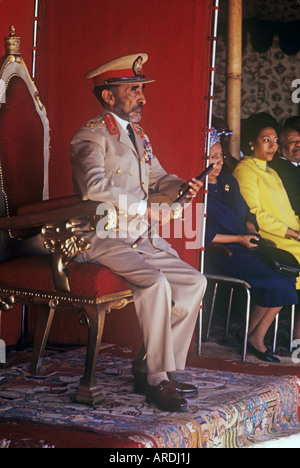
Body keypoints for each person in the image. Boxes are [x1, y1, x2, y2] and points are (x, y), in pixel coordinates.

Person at [70, 53, 207, 412]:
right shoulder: (91, 136)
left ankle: (152, 363)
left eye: (142, 89)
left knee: (194, 283)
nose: (143, 97)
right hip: (101, 235)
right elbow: (94, 188)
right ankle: (157, 380)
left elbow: (158, 176)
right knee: (155, 281)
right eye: (134, 89)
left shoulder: (139, 135)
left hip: (138, 235)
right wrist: (144, 208)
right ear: (109, 96)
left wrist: (182, 186)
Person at [205, 129, 298, 363]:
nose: (217, 163)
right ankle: (253, 338)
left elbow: (248, 213)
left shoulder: (227, 181)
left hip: (245, 243)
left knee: (286, 275)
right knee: (276, 280)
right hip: (222, 251)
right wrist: (238, 240)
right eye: (210, 157)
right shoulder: (197, 189)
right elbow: (203, 234)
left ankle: (253, 335)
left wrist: (251, 230)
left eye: (219, 156)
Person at [233, 113, 300, 342]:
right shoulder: (245, 170)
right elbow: (255, 214)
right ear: (252, 142)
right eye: (266, 140)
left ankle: (285, 336)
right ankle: (294, 335)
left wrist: (297, 227)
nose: (272, 146)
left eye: (275, 141)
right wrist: (292, 233)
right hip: (270, 239)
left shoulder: (271, 171)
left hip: (289, 237)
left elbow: (288, 212)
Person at [269, 126, 300, 216]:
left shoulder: (296, 164)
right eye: (292, 142)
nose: (298, 145)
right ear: (279, 148)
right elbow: (296, 203)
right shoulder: (280, 169)